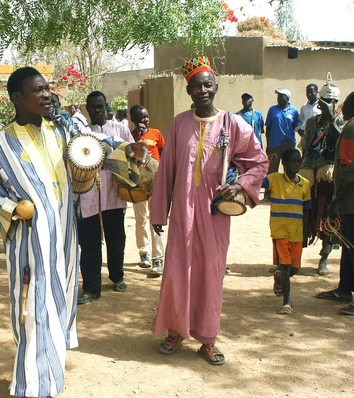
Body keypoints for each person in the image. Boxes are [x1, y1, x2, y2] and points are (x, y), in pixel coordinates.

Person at [0, 67, 147, 397]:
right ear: (16, 98)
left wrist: (125, 150)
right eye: (36, 90)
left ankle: (48, 381)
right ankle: (35, 387)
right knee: (34, 311)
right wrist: (13, 210)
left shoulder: (61, 132)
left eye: (46, 89)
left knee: (55, 309)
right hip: (29, 244)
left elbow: (94, 148)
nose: (45, 95)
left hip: (65, 241)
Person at [150, 57, 268, 365]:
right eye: (195, 86)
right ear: (188, 90)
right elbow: (167, 173)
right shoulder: (179, 123)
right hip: (183, 213)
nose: (202, 90)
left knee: (211, 273)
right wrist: (159, 213)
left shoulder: (233, 123)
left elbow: (259, 161)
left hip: (215, 214)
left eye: (207, 85)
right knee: (177, 270)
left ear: (215, 87)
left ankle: (208, 339)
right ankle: (175, 331)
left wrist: (241, 184)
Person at [76, 91, 134, 305]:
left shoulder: (120, 130)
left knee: (116, 239)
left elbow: (133, 153)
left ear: (106, 107)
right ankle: (91, 288)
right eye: (92, 107)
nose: (97, 110)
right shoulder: (81, 134)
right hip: (88, 194)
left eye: (100, 106)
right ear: (87, 109)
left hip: (114, 193)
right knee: (90, 242)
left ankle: (117, 276)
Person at [300, 73, 344, 275]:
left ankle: (324, 256)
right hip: (310, 176)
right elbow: (305, 148)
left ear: (337, 103)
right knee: (306, 216)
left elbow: (340, 144)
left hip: (330, 179)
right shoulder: (311, 123)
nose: (328, 105)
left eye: (331, 102)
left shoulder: (342, 123)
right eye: (325, 101)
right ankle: (293, 258)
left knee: (329, 218)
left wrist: (332, 121)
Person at [315, 91, 354, 313]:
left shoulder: (350, 128)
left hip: (349, 200)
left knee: (352, 248)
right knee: (348, 249)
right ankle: (344, 289)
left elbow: (349, 169)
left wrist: (337, 200)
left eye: (346, 103)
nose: (343, 107)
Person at [263, 148, 311, 315]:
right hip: (280, 231)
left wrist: (306, 234)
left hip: (296, 233)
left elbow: (307, 211)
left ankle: (279, 280)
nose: (297, 164)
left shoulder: (305, 184)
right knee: (285, 266)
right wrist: (267, 163)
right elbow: (261, 181)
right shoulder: (275, 179)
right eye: (293, 161)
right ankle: (287, 302)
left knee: (294, 269)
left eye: (299, 161)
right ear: (284, 164)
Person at [129, 104, 166, 274]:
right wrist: (136, 138)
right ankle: (143, 252)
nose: (145, 120)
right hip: (137, 183)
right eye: (141, 118)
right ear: (133, 120)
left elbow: (163, 153)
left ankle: (157, 258)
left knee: (155, 219)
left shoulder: (156, 133)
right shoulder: (129, 135)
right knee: (140, 219)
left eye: (146, 116)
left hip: (155, 182)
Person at [266, 89, 299, 174]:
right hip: (274, 145)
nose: (278, 98)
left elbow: (296, 126)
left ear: (287, 98)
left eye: (281, 96)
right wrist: (268, 145)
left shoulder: (294, 111)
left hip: (288, 145)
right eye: (278, 96)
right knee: (272, 171)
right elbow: (268, 128)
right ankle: (270, 187)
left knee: (289, 169)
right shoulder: (272, 110)